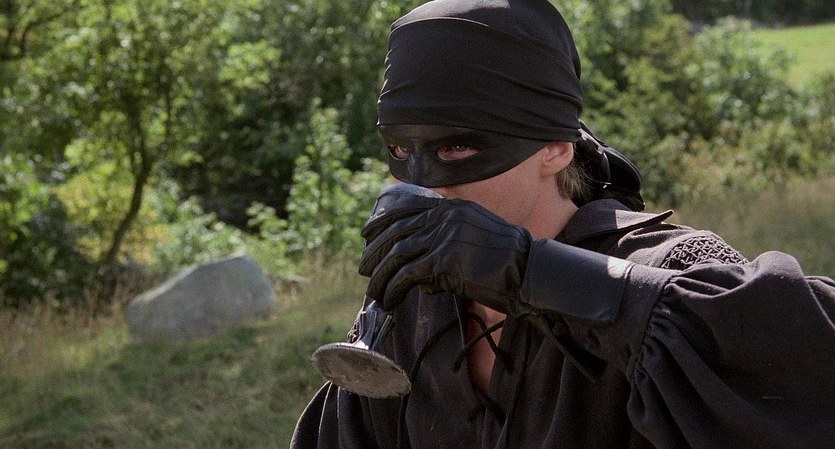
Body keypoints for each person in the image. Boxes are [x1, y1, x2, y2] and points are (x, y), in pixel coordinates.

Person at [290, 0, 835, 448]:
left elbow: (806, 367)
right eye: (399, 150)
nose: (427, 186)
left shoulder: (667, 268)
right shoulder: (417, 297)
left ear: (554, 147)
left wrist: (531, 272)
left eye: (456, 148)